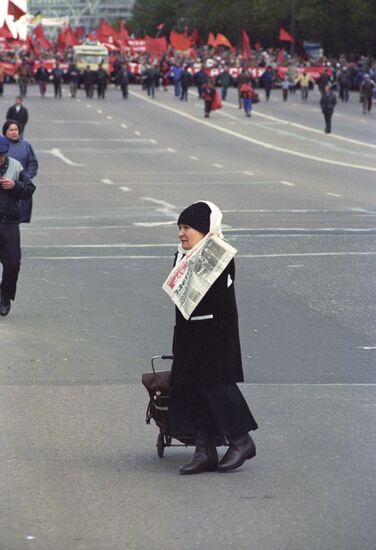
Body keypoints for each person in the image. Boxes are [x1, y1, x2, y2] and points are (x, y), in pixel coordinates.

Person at [167, 201, 258, 474]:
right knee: (193, 389)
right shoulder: (182, 255)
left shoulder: (219, 254)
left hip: (213, 334)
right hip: (188, 333)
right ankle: (204, 450)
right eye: (180, 227)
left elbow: (216, 298)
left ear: (206, 229)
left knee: (216, 385)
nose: (182, 233)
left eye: (188, 228)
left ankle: (242, 439)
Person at [0, 136, 35, 316]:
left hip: (9, 223)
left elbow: (29, 190)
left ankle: (4, 296)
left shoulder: (15, 167)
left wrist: (14, 185)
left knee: (13, 263)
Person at [3, 120, 38, 223]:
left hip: (20, 186)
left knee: (17, 217)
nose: (14, 132)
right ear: (5, 132)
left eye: (16, 129)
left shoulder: (26, 146)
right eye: (11, 130)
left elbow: (33, 163)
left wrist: (26, 176)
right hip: (4, 185)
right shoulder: (3, 147)